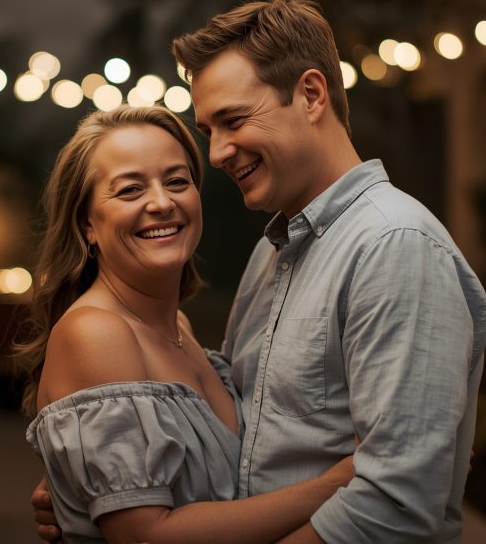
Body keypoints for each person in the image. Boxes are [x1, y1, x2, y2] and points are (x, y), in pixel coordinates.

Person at [33, 0, 486, 543]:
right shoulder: (273, 253)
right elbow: (244, 448)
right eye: (209, 132)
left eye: (233, 120)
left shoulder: (393, 245)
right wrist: (98, 482)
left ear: (310, 94)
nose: (221, 152)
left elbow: (394, 508)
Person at [18, 105, 355, 543]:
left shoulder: (180, 328)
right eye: (129, 189)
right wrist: (345, 480)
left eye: (177, 181)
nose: (161, 203)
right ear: (87, 224)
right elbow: (146, 537)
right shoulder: (96, 333)